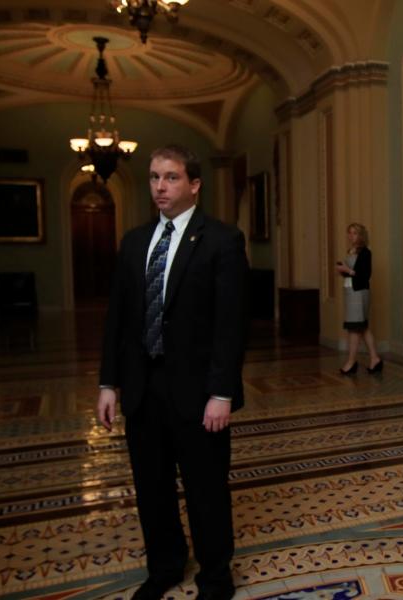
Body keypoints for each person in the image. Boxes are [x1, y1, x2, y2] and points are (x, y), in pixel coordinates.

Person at [96, 144, 249, 600]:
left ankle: (215, 577)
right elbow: (118, 319)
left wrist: (221, 392)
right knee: (152, 488)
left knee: (205, 490)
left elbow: (231, 324)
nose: (160, 187)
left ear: (194, 184)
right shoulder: (135, 241)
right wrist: (109, 382)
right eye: (154, 178)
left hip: (198, 392)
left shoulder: (222, 240)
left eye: (171, 178)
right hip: (144, 389)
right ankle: (164, 567)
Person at [335, 222, 383, 375]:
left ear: (361, 235)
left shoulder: (366, 253)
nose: (351, 235)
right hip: (350, 292)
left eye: (354, 233)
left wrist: (347, 269)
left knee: (355, 329)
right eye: (349, 232)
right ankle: (375, 358)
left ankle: (351, 362)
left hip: (359, 294)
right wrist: (343, 271)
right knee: (361, 327)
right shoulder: (350, 250)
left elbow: (364, 275)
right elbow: (352, 273)